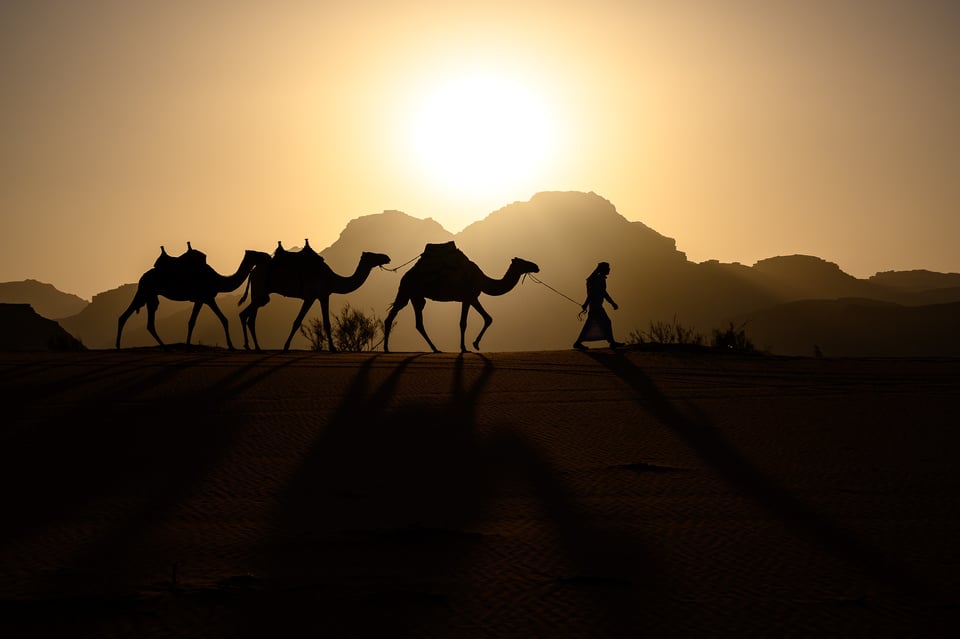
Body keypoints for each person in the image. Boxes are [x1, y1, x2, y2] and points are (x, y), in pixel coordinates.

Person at [573, 261, 624, 350]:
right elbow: (593, 293)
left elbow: (602, 293)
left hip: (595, 306)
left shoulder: (599, 278)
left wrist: (612, 303)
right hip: (596, 306)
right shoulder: (599, 279)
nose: (609, 270)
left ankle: (578, 343)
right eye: (608, 268)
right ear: (603, 269)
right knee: (607, 322)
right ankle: (612, 342)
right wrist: (586, 303)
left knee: (590, 324)